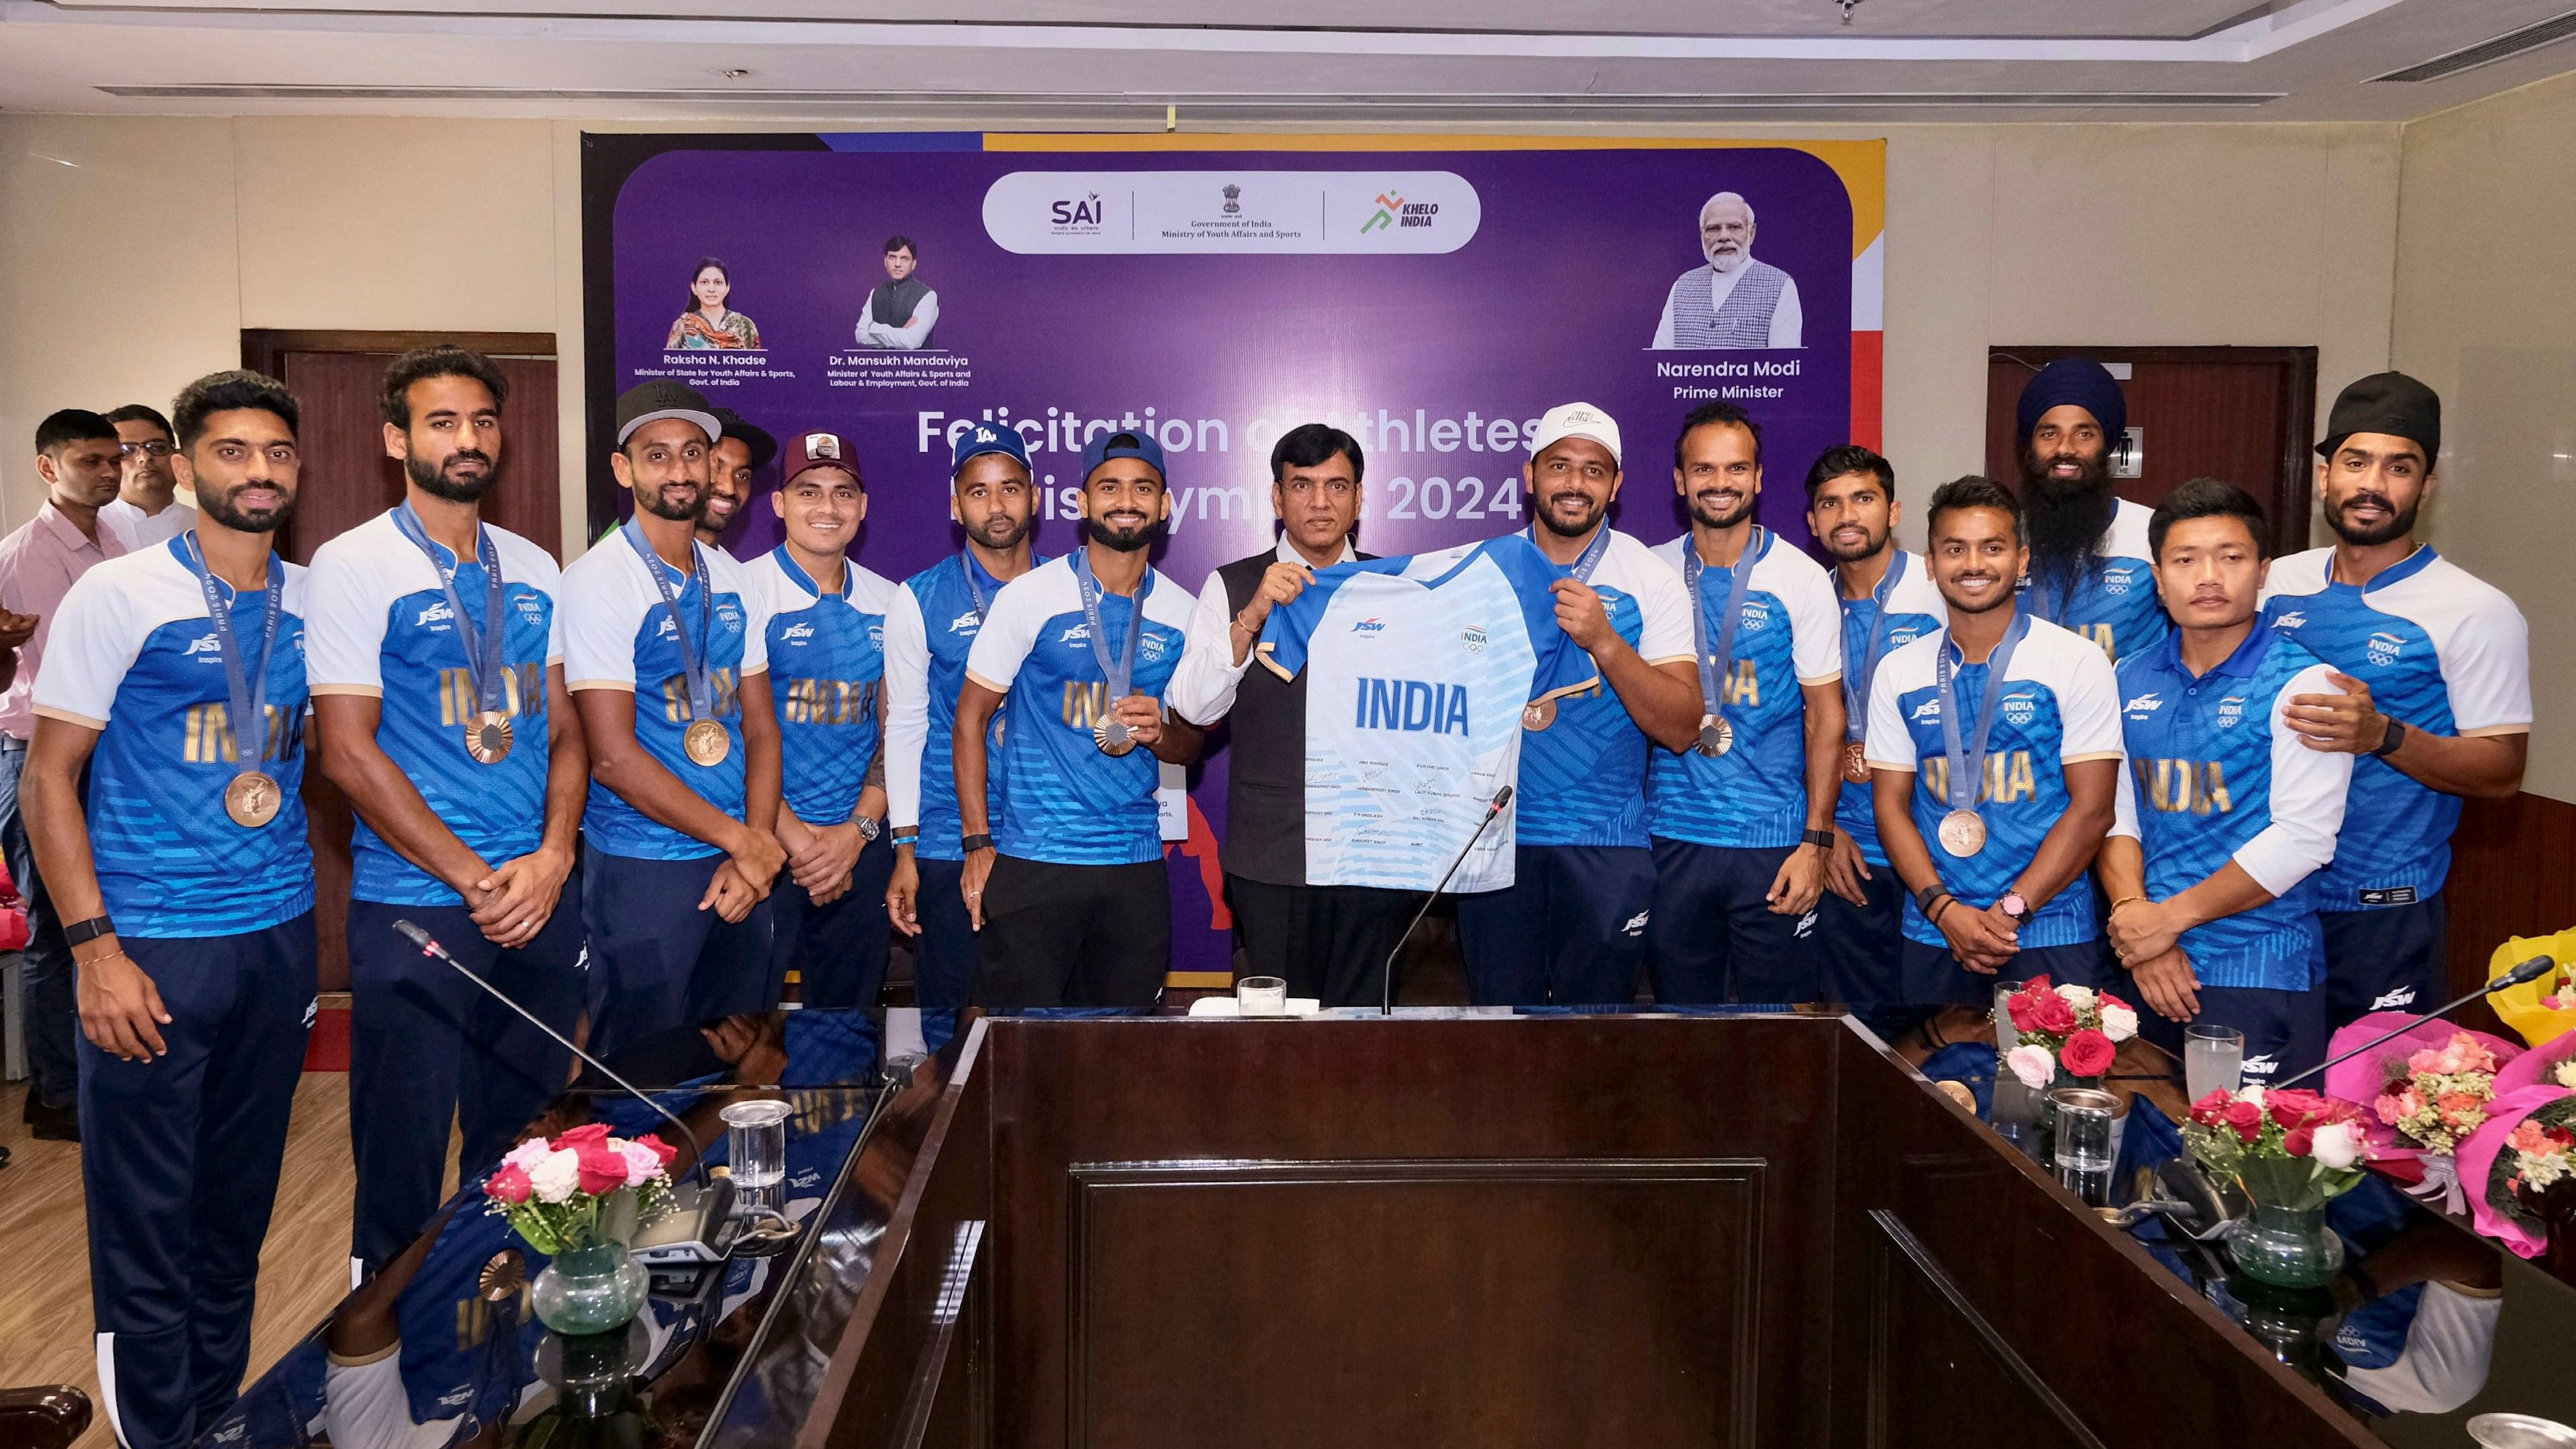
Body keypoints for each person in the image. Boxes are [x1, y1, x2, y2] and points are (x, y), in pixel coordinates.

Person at [24, 370, 315, 1447]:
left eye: (277, 452)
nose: (259, 471)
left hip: (279, 937)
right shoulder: (123, 592)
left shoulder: (312, 596)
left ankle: (215, 1411)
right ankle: (159, 1428)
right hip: (151, 942)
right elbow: (48, 775)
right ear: (186, 467)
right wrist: (95, 950)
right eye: (233, 451)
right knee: (149, 1217)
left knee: (236, 1210)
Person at [305, 346, 588, 1275]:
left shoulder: (537, 563)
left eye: (480, 421)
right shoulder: (352, 564)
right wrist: (475, 877)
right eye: (440, 421)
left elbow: (564, 729)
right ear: (396, 439)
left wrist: (550, 857)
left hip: (536, 899)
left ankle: (499, 1333)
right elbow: (346, 749)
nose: (466, 440)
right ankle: (379, 1358)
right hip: (418, 902)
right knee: (402, 1155)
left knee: (521, 1148)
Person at [2259, 373, 2530, 1024]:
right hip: (2266, 900)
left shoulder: (2474, 610)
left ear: (2426, 486)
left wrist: (2383, 733)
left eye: (2398, 467)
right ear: (2325, 474)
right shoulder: (2274, 582)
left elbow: (2501, 773)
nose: (2372, 484)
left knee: (2373, 1111)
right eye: (2355, 462)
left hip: (2382, 910)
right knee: (2257, 1111)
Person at [2100, 479, 2351, 1087]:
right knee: (2143, 1157)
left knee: (2252, 1170)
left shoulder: (2308, 683)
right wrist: (2140, 920)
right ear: (2158, 579)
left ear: (2263, 570)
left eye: (2230, 557)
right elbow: (2112, 813)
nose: (2207, 576)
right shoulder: (2124, 675)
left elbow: (2303, 839)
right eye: (2185, 560)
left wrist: (2169, 921)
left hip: (2258, 965)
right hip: (2145, 964)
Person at [1443, 404, 1697, 1006]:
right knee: (1499, 1033)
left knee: (1595, 1042)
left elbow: (1684, 726)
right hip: (1493, 843)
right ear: (1529, 475)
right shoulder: (1477, 571)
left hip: (1605, 846)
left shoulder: (1650, 578)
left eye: (1593, 469)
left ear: (1616, 485)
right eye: (1560, 465)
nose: (1575, 483)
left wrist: (1605, 640)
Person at [561, 381, 785, 1053]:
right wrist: (745, 843)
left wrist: (750, 845)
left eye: (693, 452)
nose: (680, 470)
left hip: (738, 862)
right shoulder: (599, 578)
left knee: (734, 1072)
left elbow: (760, 729)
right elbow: (611, 756)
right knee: (643, 1071)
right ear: (623, 469)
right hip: (645, 864)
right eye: (656, 455)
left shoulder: (732, 577)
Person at [953, 429, 1201, 1008]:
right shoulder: (1029, 596)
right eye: (1108, 486)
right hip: (1036, 858)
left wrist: (1163, 732)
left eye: (1144, 488)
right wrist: (977, 843)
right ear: (1081, 503)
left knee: (1123, 1049)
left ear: (1165, 507)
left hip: (1134, 863)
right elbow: (969, 719)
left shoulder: (1185, 614)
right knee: (1018, 1047)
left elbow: (1193, 746)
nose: (1126, 500)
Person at [1165, 423, 1406, 1005]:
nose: (1319, 502)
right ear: (1277, 498)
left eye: (1335, 486)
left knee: (1364, 1030)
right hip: (1271, 856)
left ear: (1358, 498)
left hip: (1371, 851)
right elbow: (1193, 707)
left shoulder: (1395, 587)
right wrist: (1252, 614)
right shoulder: (1232, 585)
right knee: (1277, 1038)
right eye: (1302, 485)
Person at [1865, 475, 2122, 1005]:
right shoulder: (1899, 671)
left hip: (2048, 928)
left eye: (1993, 547)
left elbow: (2093, 809)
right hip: (1936, 927)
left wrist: (2009, 912)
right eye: (1955, 549)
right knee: (1937, 1085)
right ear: (1931, 564)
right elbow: (1889, 807)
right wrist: (1943, 910)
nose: (1974, 564)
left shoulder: (2075, 661)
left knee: (2050, 1088)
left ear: (2021, 560)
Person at [1645, 402, 1846, 1004]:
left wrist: (1815, 843)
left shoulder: (1800, 577)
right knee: (1680, 1027)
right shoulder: (1650, 573)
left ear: (1758, 478)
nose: (1720, 483)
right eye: (1703, 469)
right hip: (1669, 840)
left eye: (1735, 469)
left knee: (1778, 1031)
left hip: (1773, 841)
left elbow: (1826, 715)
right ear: (1680, 481)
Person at [883, 423, 1043, 1022]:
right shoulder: (918, 598)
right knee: (949, 1027)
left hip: (1045, 841)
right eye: (978, 491)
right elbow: (904, 728)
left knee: (1042, 1021)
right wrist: (905, 847)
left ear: (1035, 497)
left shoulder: (1071, 589)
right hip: (950, 842)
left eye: (1009, 488)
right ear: (955, 505)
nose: (996, 506)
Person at [743, 430, 895, 1013]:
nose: (826, 508)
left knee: (847, 1025)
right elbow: (733, 736)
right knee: (747, 1034)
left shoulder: (889, 600)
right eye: (808, 491)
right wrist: (801, 843)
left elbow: (894, 730)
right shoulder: (744, 592)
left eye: (842, 493)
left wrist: (853, 835)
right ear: (779, 504)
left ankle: (847, 1110)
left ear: (862, 507)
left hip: (858, 844)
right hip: (764, 842)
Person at [0, 409, 121, 1140]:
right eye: (90, 460)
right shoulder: (27, 555)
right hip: (37, 753)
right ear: (49, 467)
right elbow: (38, 673)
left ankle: (90, 1078)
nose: (108, 471)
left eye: (115, 458)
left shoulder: (112, 540)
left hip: (100, 751)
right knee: (55, 928)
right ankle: (56, 1095)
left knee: (100, 917)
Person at [1804, 445, 1948, 1004]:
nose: (1847, 515)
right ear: (1813, 521)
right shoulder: (1807, 597)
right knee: (1858, 1026)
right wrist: (1824, 832)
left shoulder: (1938, 588)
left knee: (1937, 1021)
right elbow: (1793, 722)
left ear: (1892, 510)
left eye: (1862, 498)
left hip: (1934, 848)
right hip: (1847, 850)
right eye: (1830, 503)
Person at [2012, 357, 2168, 663]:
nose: (2065, 448)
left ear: (2105, 445)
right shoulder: (2002, 534)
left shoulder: (2154, 531)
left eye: (2084, 434)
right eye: (2049, 433)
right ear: (2030, 448)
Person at [1651, 191, 1802, 350]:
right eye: (1713, 229)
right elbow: (1659, 363)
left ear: (1751, 233)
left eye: (1734, 227)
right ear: (1702, 235)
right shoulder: (1682, 287)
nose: (1723, 236)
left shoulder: (1780, 287)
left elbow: (1785, 368)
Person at [101, 403, 198, 552]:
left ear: (178, 458)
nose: (144, 458)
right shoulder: (92, 527)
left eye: (157, 447)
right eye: (127, 450)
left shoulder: (202, 526)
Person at [700, 407, 773, 552]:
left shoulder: (736, 573)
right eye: (714, 468)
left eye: (742, 476)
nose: (729, 489)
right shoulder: (644, 562)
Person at [855, 235, 939, 352]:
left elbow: (912, 342)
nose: (897, 264)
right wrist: (901, 333)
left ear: (914, 264)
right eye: (892, 257)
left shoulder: (928, 296)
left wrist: (873, 328)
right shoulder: (876, 293)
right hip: (879, 369)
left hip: (916, 369)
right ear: (885, 261)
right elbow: (861, 336)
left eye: (904, 259)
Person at [666, 256, 761, 350]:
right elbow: (670, 364)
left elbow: (757, 364)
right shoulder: (682, 326)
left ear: (727, 288)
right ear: (694, 288)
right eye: (704, 282)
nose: (711, 289)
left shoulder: (745, 325)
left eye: (718, 283)